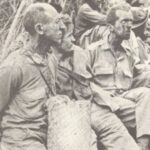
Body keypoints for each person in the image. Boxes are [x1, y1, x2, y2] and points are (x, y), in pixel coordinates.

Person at [51, 8, 141, 150]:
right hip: (68, 112)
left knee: (120, 136)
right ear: (55, 38)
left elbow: (85, 88)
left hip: (94, 106)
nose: (74, 39)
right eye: (69, 36)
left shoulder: (78, 54)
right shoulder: (42, 63)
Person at [0, 3, 65, 150]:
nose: (62, 27)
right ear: (40, 29)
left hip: (48, 136)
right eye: (56, 22)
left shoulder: (51, 60)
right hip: (20, 141)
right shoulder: (14, 66)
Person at [87, 3, 150, 150]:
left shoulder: (128, 53)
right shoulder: (93, 51)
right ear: (110, 27)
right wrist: (106, 99)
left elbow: (137, 77)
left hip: (123, 100)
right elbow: (84, 83)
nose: (129, 26)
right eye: (124, 21)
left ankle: (142, 145)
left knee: (147, 94)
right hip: (101, 105)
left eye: (131, 21)